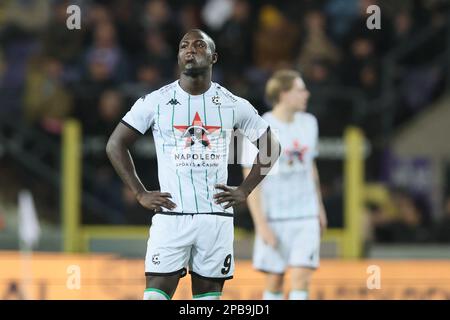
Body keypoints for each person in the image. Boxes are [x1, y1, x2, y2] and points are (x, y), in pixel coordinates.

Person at [106, 29, 281, 300]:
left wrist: (245, 190)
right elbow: (115, 144)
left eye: (199, 45)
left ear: (214, 57)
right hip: (171, 216)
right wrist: (139, 191)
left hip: (216, 218)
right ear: (178, 56)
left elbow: (271, 146)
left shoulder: (233, 104)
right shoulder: (157, 101)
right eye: (184, 46)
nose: (190, 49)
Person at [241, 69, 327, 300]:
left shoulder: (310, 123)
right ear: (283, 94)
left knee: (302, 278)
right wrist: (261, 224)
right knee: (275, 280)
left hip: (305, 215)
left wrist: (319, 208)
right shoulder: (258, 127)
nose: (306, 94)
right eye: (300, 90)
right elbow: (251, 181)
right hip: (274, 216)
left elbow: (311, 167)